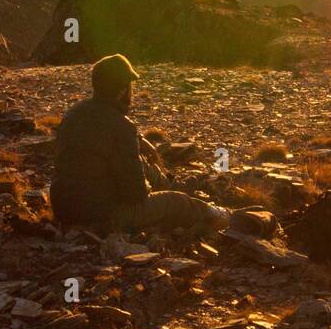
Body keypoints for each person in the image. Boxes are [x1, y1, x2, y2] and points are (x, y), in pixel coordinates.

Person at [50, 54, 231, 235]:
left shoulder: (73, 114)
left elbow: (95, 141)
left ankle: (171, 185)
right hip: (103, 214)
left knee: (140, 163)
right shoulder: (121, 126)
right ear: (122, 90)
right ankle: (220, 215)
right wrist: (147, 186)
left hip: (63, 208)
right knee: (176, 201)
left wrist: (139, 141)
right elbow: (135, 194)